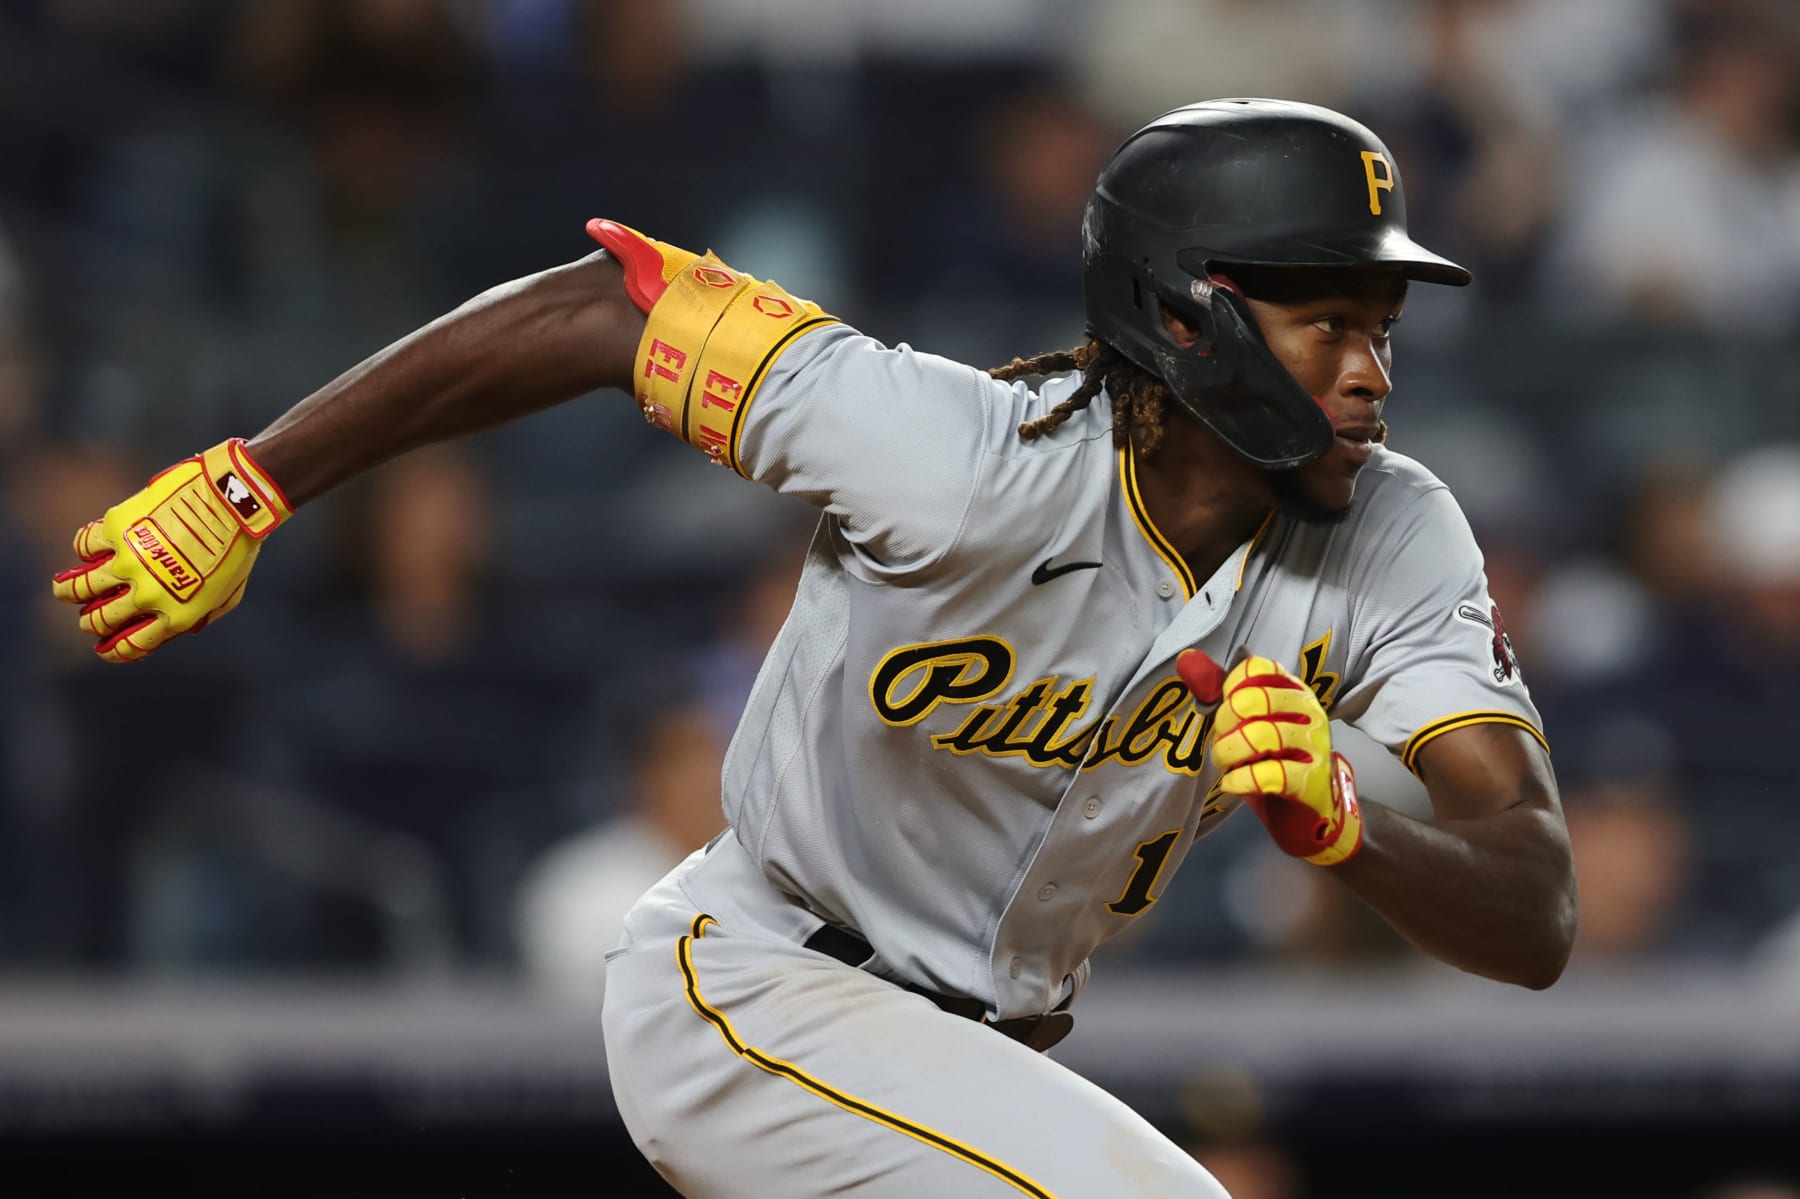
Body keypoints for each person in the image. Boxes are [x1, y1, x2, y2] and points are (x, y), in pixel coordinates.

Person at [49, 98, 1577, 1196]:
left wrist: (1350, 829)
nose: (1375, 375)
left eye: (1386, 329)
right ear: (1191, 321)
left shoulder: (1398, 533)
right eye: (1332, 325)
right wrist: (258, 485)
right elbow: (607, 306)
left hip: (976, 1067)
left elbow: (1535, 908)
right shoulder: (955, 451)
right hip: (757, 990)